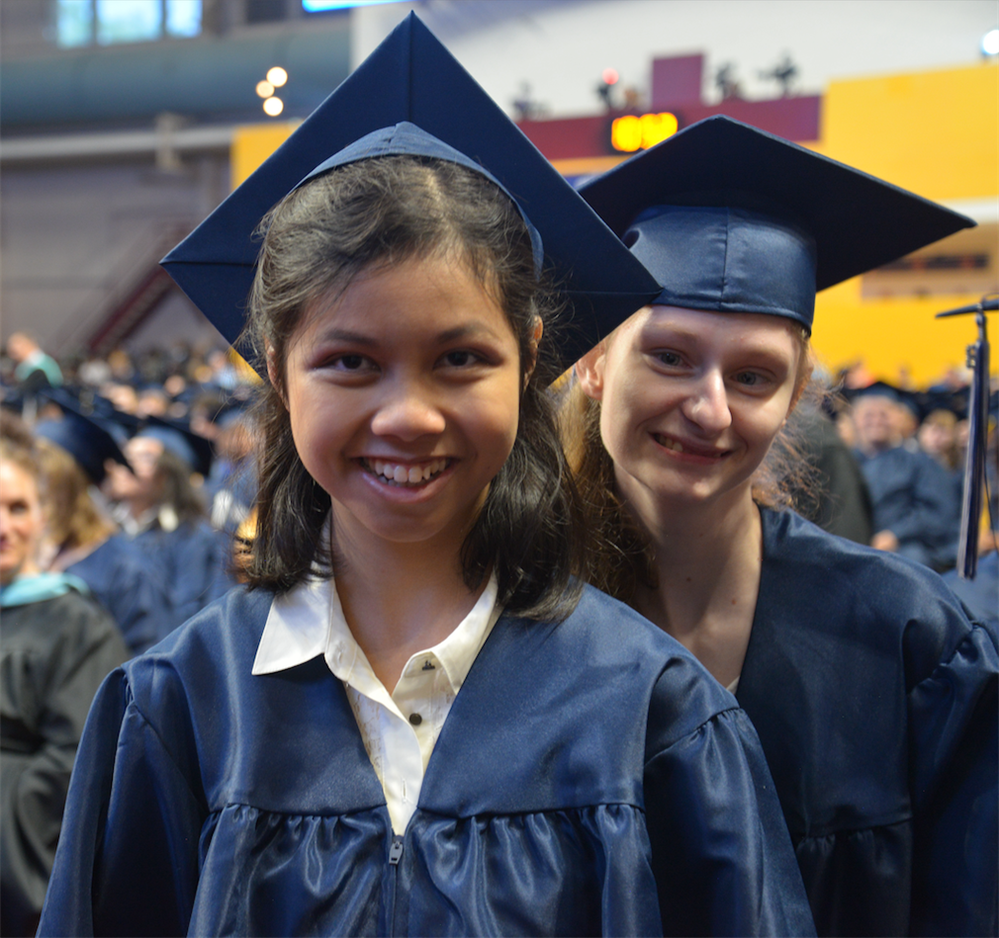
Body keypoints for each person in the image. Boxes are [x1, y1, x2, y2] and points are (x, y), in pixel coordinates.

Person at [37, 18, 817, 938]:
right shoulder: (178, 709)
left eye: (458, 359)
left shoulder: (652, 712)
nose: (408, 414)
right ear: (276, 365)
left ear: (528, 359)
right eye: (350, 362)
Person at [569, 115, 999, 937]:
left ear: (796, 396)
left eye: (754, 374)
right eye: (668, 355)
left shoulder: (906, 638)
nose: (709, 407)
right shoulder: (512, 616)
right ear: (594, 362)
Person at [0, 413, 128, 938]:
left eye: (17, 508)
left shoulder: (77, 625)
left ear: (44, 514)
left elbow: (78, 768)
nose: (3, 525)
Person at [32, 394, 175, 655]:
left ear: (68, 490)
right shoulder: (33, 556)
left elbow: (149, 668)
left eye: (40, 483)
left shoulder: (127, 571)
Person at [850, 385, 960, 570]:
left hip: (903, 550)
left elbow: (935, 513)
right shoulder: (846, 461)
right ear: (856, 419)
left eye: (884, 414)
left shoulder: (919, 463)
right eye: (868, 415)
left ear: (899, 417)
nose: (876, 420)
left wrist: (895, 535)